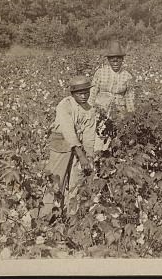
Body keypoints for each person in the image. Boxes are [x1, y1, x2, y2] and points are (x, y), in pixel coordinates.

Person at [41, 75, 96, 218]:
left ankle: (71, 216)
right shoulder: (64, 105)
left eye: (86, 92)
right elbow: (68, 131)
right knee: (56, 180)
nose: (84, 96)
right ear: (72, 94)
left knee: (76, 182)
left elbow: (90, 135)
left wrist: (89, 156)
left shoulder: (90, 110)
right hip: (61, 143)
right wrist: (81, 154)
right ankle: (46, 216)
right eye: (80, 93)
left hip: (80, 147)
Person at [88, 40, 135, 152]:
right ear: (108, 60)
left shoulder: (127, 76)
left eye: (118, 59)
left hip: (119, 112)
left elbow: (129, 98)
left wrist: (130, 117)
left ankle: (112, 160)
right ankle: (97, 158)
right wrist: (89, 110)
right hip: (102, 110)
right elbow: (93, 92)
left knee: (116, 137)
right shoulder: (100, 72)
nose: (115, 62)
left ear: (122, 60)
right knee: (100, 135)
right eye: (112, 60)